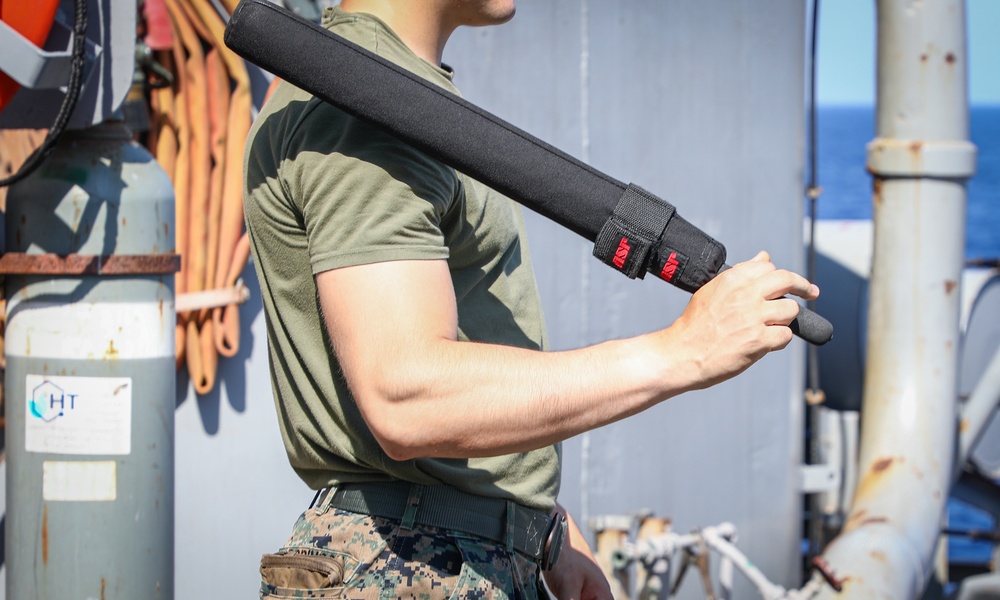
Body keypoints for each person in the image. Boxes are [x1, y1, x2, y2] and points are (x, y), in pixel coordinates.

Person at [243, 0, 819, 598]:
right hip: (413, 563)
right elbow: (404, 392)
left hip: (438, 550)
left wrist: (535, 526)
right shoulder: (366, 110)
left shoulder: (382, 90)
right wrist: (683, 351)